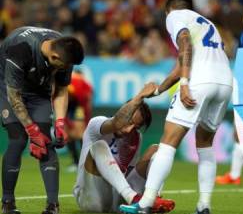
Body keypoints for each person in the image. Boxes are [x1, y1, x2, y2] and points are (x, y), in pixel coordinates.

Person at [119, 0, 233, 214]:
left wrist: (184, 83)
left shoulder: (175, 16)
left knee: (168, 143)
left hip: (199, 81)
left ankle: (145, 203)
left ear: (168, 10)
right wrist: (161, 89)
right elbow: (185, 60)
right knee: (205, 144)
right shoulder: (206, 23)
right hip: (225, 82)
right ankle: (204, 205)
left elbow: (185, 46)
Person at [0, 26, 84, 214]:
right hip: (7, 89)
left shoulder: (64, 51)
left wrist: (61, 123)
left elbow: (61, 90)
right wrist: (32, 130)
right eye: (62, 66)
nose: (64, 70)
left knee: (46, 142)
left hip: (39, 91)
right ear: (54, 57)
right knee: (18, 139)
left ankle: (53, 206)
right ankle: (8, 203)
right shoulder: (20, 48)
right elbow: (15, 97)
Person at [73, 83, 175, 213]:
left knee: (157, 149)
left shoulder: (135, 137)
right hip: (91, 198)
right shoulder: (97, 124)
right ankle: (133, 197)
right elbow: (115, 122)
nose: (130, 130)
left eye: (136, 127)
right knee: (99, 146)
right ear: (124, 113)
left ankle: (154, 199)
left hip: (116, 198)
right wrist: (140, 96)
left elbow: (129, 173)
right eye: (130, 122)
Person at [65, 70, 93, 172]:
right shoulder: (83, 83)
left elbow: (86, 101)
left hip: (75, 107)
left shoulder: (80, 83)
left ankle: (81, 162)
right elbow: (88, 102)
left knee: (78, 134)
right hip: (71, 106)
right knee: (71, 135)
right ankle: (77, 162)